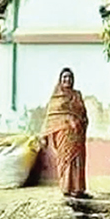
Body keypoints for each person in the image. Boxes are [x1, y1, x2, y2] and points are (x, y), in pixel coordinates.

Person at [42, 67, 91, 199]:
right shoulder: (56, 97)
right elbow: (51, 117)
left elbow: (83, 113)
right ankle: (66, 188)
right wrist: (67, 121)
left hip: (77, 134)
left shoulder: (77, 95)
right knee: (66, 160)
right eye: (64, 77)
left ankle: (78, 189)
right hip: (64, 134)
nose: (67, 80)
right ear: (60, 80)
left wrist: (81, 122)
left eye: (69, 77)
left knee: (78, 161)